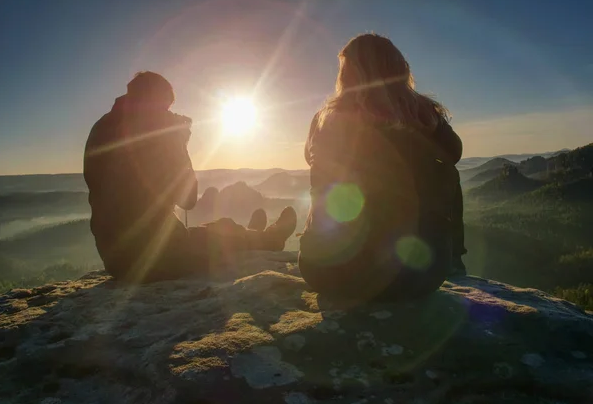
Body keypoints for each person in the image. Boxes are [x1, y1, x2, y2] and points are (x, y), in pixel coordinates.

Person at [298, 34, 466, 302]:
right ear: (399, 69)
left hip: (329, 273)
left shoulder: (325, 120)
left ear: (347, 73)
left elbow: (311, 161)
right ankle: (456, 258)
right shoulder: (424, 114)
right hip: (420, 275)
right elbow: (454, 153)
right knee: (447, 171)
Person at [84, 71, 297, 283]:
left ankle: (251, 235)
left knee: (217, 231)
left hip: (114, 259)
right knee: (222, 234)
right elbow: (189, 199)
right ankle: (270, 240)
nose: (168, 114)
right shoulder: (156, 135)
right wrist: (178, 143)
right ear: (155, 102)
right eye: (165, 108)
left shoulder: (100, 128)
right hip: (155, 259)